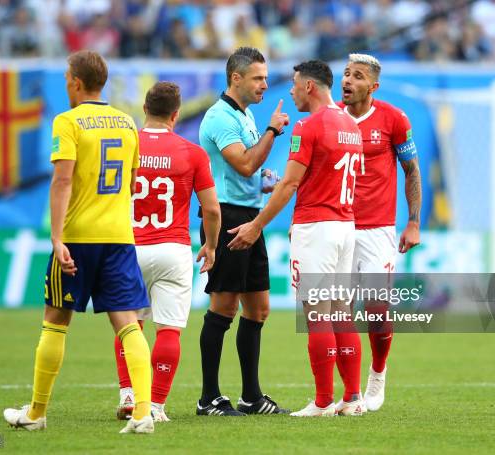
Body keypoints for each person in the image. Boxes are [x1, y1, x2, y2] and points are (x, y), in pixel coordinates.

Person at [3, 50, 154, 435]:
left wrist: (56, 237)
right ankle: (142, 414)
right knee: (128, 325)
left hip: (78, 237)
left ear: (75, 82)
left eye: (67, 78)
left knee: (55, 322)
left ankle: (36, 413)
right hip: (119, 237)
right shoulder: (127, 123)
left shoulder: (67, 121)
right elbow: (133, 181)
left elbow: (63, 180)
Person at [228, 60, 365, 417]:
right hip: (345, 225)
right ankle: (352, 397)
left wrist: (256, 224)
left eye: (293, 84)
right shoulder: (352, 125)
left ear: (309, 87)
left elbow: (290, 183)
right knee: (341, 313)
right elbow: (324, 176)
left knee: (317, 314)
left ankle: (322, 402)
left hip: (317, 228)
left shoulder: (309, 126)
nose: (289, 91)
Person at [114, 81, 221, 422]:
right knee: (169, 330)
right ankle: (156, 405)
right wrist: (212, 245)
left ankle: (130, 394)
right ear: (176, 114)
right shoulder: (192, 153)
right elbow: (212, 210)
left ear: (144, 109)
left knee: (129, 324)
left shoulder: (123, 146)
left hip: (128, 248)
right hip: (172, 248)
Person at [196, 46, 290, 416]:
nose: (265, 84)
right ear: (236, 78)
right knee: (223, 307)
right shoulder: (220, 117)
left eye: (265, 77)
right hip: (227, 216)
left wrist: (261, 184)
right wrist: (272, 130)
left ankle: (251, 397)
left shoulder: (245, 115)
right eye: (258, 78)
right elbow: (247, 164)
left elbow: (246, 172)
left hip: (250, 215)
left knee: (259, 309)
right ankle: (208, 398)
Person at [337, 53, 421, 412]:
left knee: (376, 310)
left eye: (357, 76)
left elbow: (412, 170)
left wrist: (414, 222)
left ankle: (378, 374)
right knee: (335, 311)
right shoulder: (330, 117)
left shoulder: (393, 119)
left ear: (373, 86)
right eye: (345, 74)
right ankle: (346, 393)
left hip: (378, 230)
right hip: (336, 225)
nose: (348, 81)